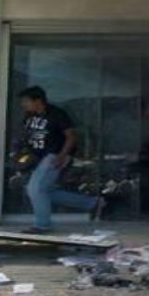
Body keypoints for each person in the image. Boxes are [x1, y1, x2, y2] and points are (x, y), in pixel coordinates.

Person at [15, 86, 101, 233]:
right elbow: (26, 135)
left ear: (38, 101)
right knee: (43, 191)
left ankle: (42, 225)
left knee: (34, 189)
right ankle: (92, 204)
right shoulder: (29, 116)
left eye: (26, 101)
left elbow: (71, 136)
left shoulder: (56, 114)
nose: (24, 104)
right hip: (36, 157)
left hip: (54, 155)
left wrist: (62, 155)